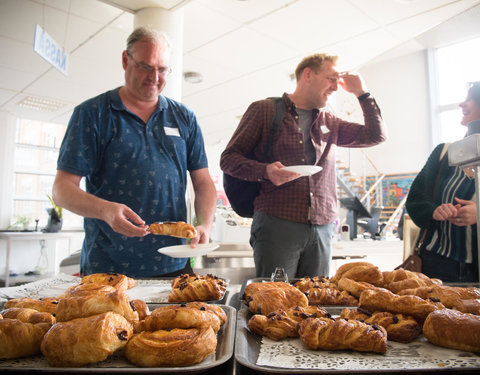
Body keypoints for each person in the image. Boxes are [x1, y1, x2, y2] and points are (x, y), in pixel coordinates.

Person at [52, 27, 217, 278]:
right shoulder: (92, 114)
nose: (155, 76)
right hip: (107, 267)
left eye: (162, 69)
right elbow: (62, 190)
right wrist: (105, 210)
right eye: (145, 66)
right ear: (125, 60)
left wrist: (205, 222)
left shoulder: (184, 118)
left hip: (173, 265)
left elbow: (203, 182)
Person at [220, 53, 387, 279]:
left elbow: (375, 135)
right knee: (274, 302)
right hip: (277, 223)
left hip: (324, 226)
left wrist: (362, 92)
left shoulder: (330, 121)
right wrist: (266, 171)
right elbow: (228, 159)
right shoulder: (265, 110)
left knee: (316, 304)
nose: (335, 87)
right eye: (331, 79)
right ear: (308, 74)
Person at [406, 81, 480, 282]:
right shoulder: (444, 153)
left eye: (471, 99)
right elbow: (415, 199)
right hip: (435, 265)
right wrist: (434, 211)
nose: (462, 104)